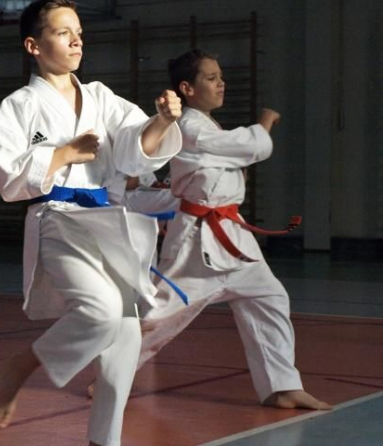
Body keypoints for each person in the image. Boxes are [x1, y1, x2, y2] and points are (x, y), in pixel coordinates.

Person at [0, 0, 182, 446]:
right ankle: (22, 364)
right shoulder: (19, 106)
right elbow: (7, 177)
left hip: (106, 219)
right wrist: (64, 153)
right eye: (62, 32)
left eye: (78, 32)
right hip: (57, 217)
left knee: (127, 331)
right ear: (34, 45)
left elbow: (138, 149)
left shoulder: (99, 97)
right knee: (97, 312)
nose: (76, 39)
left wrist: (161, 120)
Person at [138, 49, 331, 411]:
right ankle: (109, 375)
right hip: (197, 243)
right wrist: (265, 123)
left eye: (220, 76)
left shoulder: (206, 126)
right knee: (159, 316)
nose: (221, 83)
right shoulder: (190, 127)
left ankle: (282, 386)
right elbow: (246, 148)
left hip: (232, 238)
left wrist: (254, 139)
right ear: (187, 88)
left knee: (270, 299)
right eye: (211, 78)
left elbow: (237, 154)